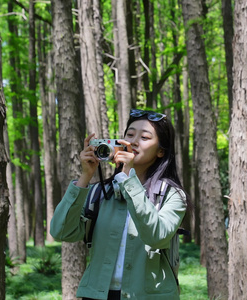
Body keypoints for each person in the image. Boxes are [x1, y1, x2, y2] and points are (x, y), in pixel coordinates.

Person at [50, 109, 188, 300]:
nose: (133, 141)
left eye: (145, 137)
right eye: (130, 134)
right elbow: (61, 231)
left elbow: (156, 237)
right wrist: (85, 177)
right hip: (97, 295)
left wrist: (127, 178)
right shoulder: (99, 192)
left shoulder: (171, 194)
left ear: (160, 151)